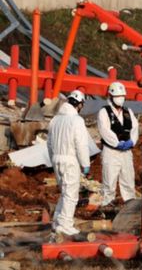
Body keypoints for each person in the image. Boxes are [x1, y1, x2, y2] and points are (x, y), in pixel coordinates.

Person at [47, 90, 91, 237]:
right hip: (70, 160)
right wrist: (85, 164)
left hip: (56, 159)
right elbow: (81, 144)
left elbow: (49, 143)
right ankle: (65, 224)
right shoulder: (76, 120)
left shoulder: (55, 120)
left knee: (64, 193)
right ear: (79, 104)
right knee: (71, 194)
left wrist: (52, 159)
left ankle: (57, 222)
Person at [97, 81, 139, 208]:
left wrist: (132, 141)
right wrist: (116, 143)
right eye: (117, 97)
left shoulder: (128, 111)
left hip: (126, 151)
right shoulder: (104, 112)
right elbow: (105, 130)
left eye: (122, 96)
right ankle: (107, 205)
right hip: (111, 151)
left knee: (128, 179)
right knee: (109, 181)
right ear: (110, 96)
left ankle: (130, 206)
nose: (120, 99)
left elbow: (135, 127)